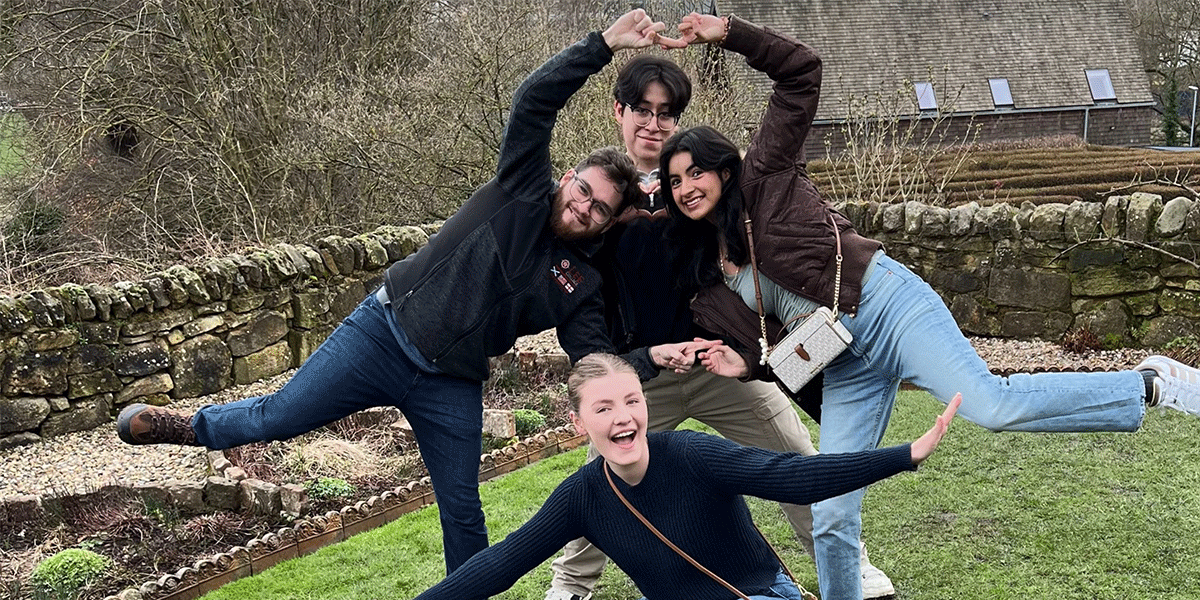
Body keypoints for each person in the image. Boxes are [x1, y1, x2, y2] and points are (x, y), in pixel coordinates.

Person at [113, 9, 686, 575]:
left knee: (463, 513)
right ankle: (185, 427)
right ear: (567, 178)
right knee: (276, 417)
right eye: (581, 191)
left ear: (609, 220)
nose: (582, 207)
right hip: (383, 334)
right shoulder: (523, 186)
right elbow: (533, 101)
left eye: (598, 208)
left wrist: (650, 360)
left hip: (452, 383)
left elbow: (593, 361)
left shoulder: (583, 283)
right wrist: (602, 45)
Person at [654, 12, 1200, 600]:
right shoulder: (706, 274)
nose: (687, 187)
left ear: (725, 168)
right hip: (839, 363)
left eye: (697, 172)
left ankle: (1149, 383)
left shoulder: (766, 176)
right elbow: (766, 343)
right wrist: (746, 365)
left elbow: (801, 74)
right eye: (675, 179)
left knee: (991, 405)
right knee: (831, 507)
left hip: (887, 305)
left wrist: (732, 33)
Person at [544, 54, 894, 600]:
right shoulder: (603, 196)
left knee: (794, 456)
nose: (654, 123)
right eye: (642, 109)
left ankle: (848, 565)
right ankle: (571, 585)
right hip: (643, 378)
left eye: (667, 112)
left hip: (721, 365)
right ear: (619, 111)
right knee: (605, 478)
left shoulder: (696, 184)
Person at [414, 353, 960, 600]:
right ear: (579, 424)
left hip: (759, 594)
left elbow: (794, 476)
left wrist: (904, 454)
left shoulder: (691, 454)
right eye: (603, 409)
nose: (623, 417)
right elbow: (502, 562)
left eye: (631, 400)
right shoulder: (581, 497)